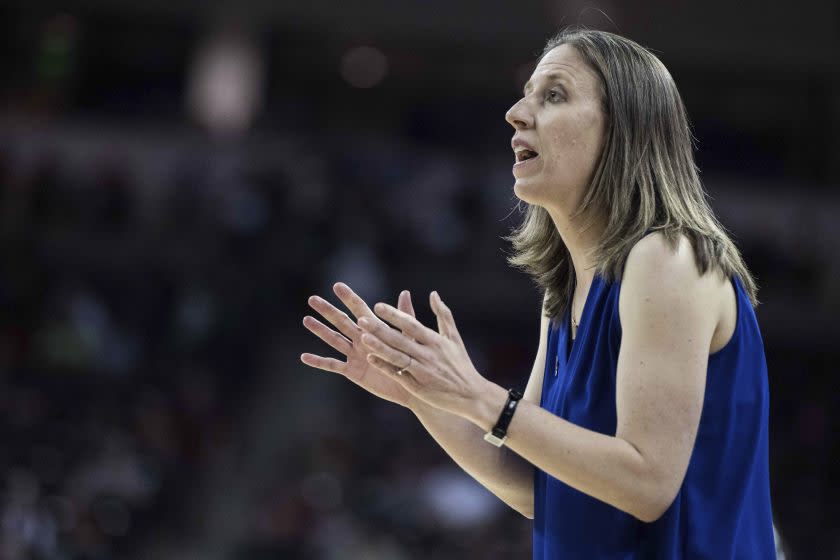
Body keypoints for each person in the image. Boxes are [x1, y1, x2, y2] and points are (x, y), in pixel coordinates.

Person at [301, 27, 777, 559]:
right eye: (526, 93)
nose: (517, 113)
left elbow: (647, 483)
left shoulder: (667, 256)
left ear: (624, 129)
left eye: (553, 95)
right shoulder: (565, 292)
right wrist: (423, 393)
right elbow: (535, 484)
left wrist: (480, 397)